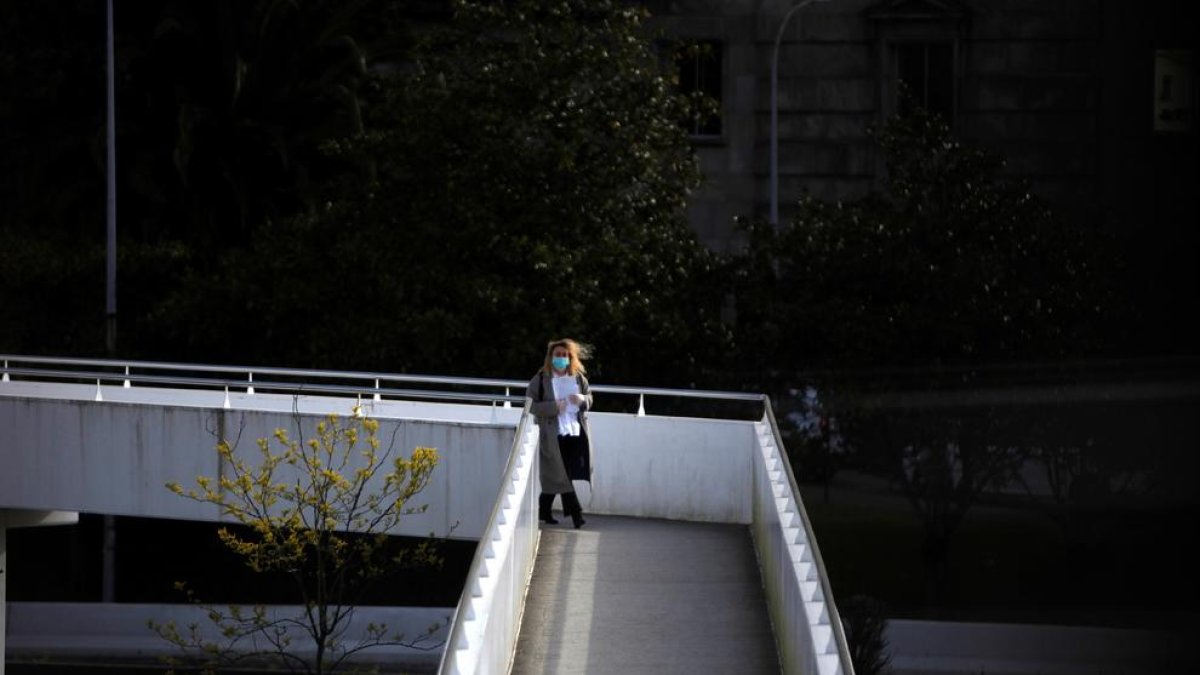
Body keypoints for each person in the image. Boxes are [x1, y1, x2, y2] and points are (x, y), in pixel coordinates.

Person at [526, 338, 593, 529]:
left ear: (570, 357)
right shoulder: (540, 379)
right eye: (558, 355)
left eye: (565, 355)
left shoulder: (578, 378)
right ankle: (576, 514)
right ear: (550, 357)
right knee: (562, 474)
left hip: (575, 432)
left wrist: (582, 399)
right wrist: (554, 407)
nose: (561, 358)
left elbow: (590, 398)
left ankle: (543, 509)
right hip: (552, 434)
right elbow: (530, 405)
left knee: (562, 474)